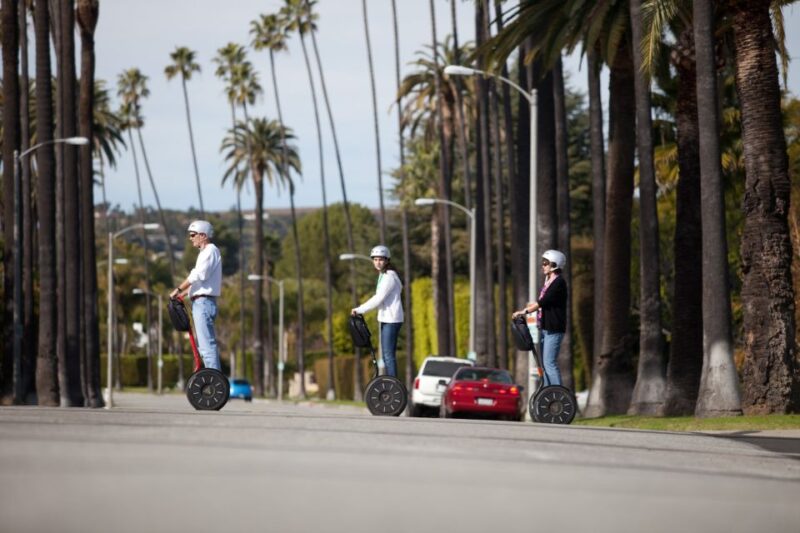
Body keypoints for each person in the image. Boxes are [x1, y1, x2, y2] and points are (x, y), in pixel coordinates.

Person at [169, 220, 223, 371]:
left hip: (204, 303)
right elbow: (200, 283)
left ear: (203, 235)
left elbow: (198, 275)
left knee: (207, 346)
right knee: (204, 345)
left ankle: (214, 379)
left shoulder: (210, 250)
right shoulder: (205, 253)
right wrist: (183, 294)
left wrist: (178, 289)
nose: (190, 238)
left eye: (193, 235)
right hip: (201, 302)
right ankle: (212, 377)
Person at [512, 249, 568, 386]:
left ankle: (557, 394)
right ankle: (548, 393)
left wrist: (524, 312)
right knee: (545, 364)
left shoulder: (559, 283)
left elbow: (543, 302)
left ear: (554, 264)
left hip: (554, 329)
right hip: (545, 328)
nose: (543, 265)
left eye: (545, 263)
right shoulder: (549, 282)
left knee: (549, 363)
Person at [351, 245, 404, 377]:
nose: (377, 262)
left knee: (388, 355)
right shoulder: (384, 275)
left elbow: (378, 298)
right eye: (375, 260)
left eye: (381, 259)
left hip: (391, 319)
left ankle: (393, 383)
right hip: (387, 318)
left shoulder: (389, 277)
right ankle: (391, 382)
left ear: (387, 260)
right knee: (386, 355)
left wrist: (360, 309)